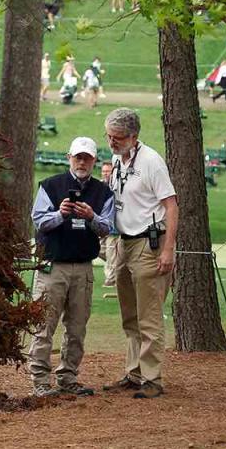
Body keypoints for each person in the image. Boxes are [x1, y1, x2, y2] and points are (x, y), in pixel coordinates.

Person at [28, 137, 115, 397]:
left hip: (83, 268)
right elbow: (39, 221)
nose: (82, 162)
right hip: (52, 266)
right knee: (44, 326)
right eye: (78, 157)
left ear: (94, 161)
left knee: (77, 327)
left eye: (87, 158)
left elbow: (108, 228)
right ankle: (40, 381)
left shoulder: (103, 192)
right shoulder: (51, 186)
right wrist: (61, 214)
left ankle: (68, 377)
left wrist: (91, 217)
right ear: (69, 157)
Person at [102, 108, 178, 399]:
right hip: (123, 241)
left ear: (134, 137)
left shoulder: (151, 162)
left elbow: (171, 205)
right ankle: (133, 372)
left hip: (149, 242)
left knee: (148, 314)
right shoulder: (117, 160)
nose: (112, 142)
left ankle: (152, 378)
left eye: (118, 137)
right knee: (129, 314)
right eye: (109, 136)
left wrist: (168, 249)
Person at [99, 161, 119, 289]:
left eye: (108, 171)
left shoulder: (117, 186)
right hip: (100, 226)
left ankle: (111, 280)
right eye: (104, 171)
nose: (106, 173)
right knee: (99, 250)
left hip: (114, 229)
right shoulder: (99, 187)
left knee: (111, 253)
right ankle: (118, 265)